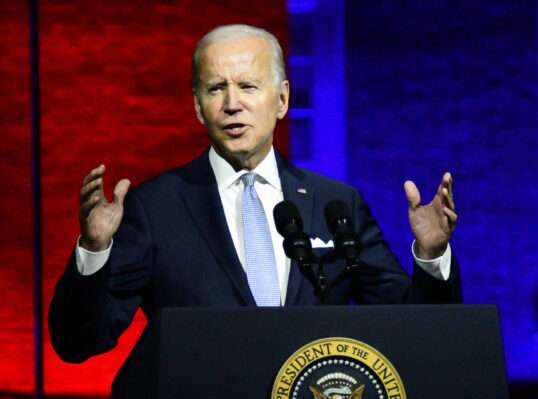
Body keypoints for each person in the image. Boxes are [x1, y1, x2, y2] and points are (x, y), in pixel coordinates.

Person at [48, 24, 461, 364]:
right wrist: (94, 251)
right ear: (197, 106)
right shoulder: (155, 208)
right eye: (215, 88)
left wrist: (430, 257)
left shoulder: (336, 205)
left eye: (247, 86)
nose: (232, 104)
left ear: (281, 99)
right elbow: (79, 341)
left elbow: (415, 330)